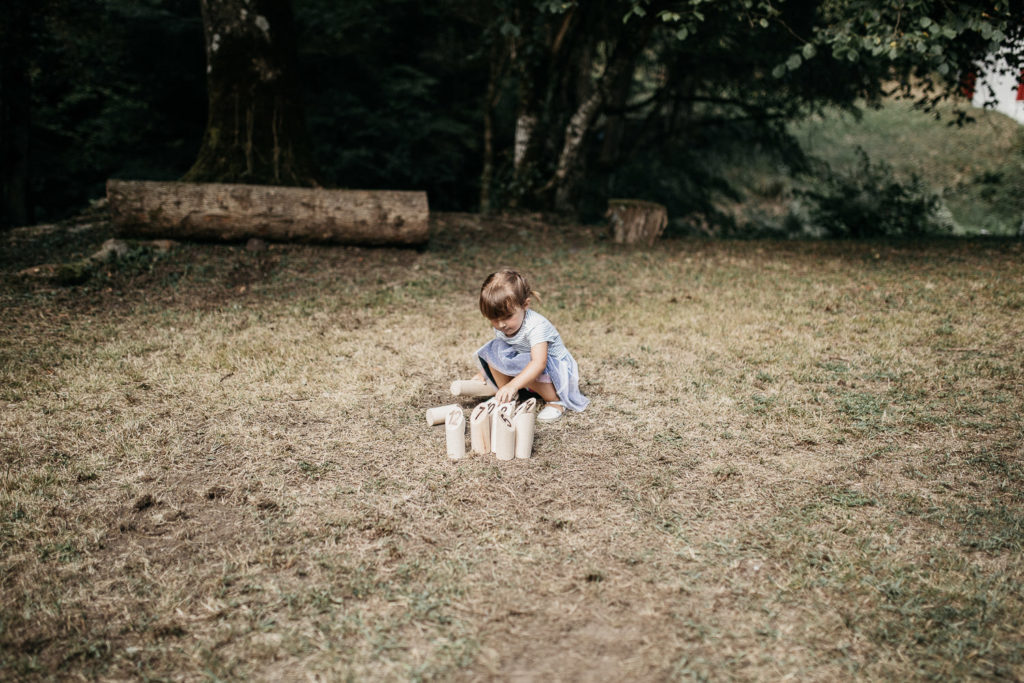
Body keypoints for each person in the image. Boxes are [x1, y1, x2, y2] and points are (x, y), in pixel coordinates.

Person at [469, 269, 589, 422]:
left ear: (525, 305)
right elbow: (502, 352)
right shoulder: (503, 325)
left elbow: (539, 363)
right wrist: (484, 373)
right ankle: (508, 397)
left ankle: (555, 402)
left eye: (507, 317)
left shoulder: (536, 326)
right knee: (494, 347)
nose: (501, 324)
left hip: (553, 371)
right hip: (527, 366)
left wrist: (513, 385)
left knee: (530, 361)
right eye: (494, 319)